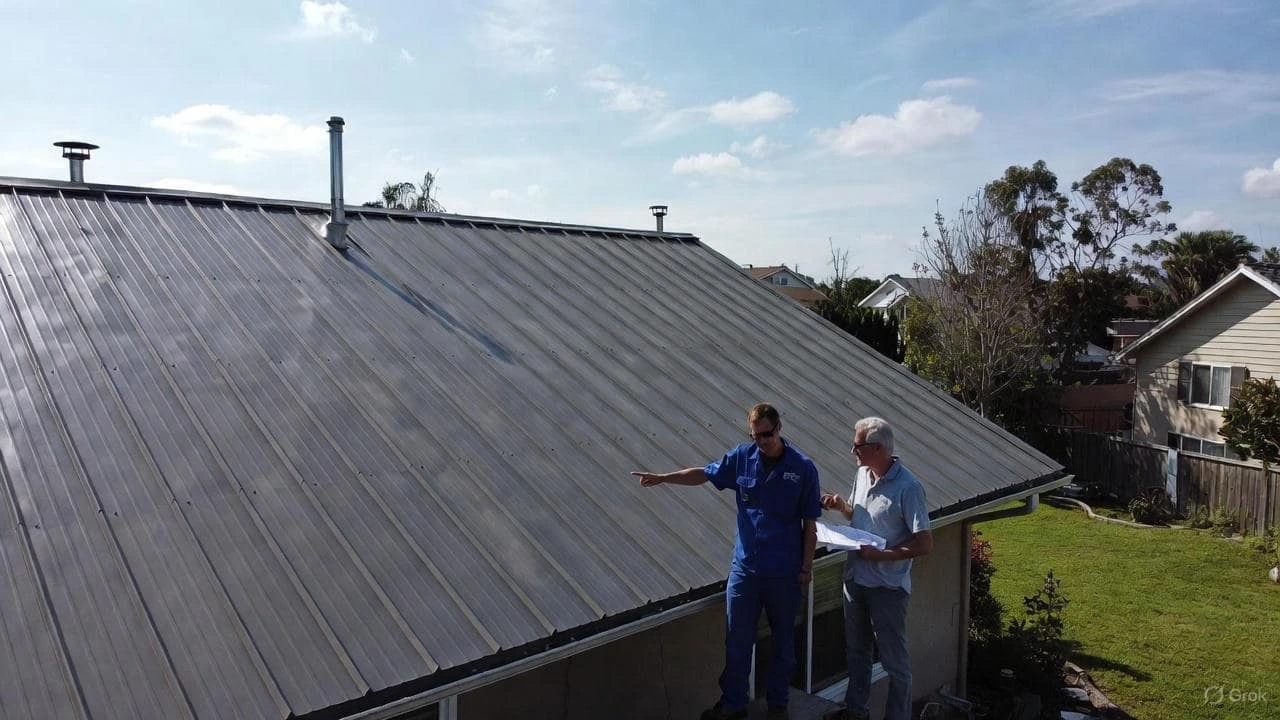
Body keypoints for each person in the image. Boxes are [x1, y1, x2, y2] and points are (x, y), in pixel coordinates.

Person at [632, 403, 821, 720]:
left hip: (784, 574)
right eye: (755, 436)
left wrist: (806, 569)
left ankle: (778, 704)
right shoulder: (742, 459)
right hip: (746, 571)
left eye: (767, 435)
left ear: (779, 428)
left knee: (783, 643)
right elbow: (704, 474)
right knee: (737, 640)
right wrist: (664, 478)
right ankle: (733, 704)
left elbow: (810, 526)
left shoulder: (802, 469)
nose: (761, 442)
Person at [821, 417, 932, 720]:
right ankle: (856, 712)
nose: (852, 451)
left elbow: (924, 544)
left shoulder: (908, 488)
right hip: (856, 580)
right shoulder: (862, 474)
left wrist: (882, 556)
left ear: (878, 448)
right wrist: (841, 506)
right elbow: (858, 517)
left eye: (857, 446)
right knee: (857, 653)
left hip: (887, 589)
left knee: (895, 662)